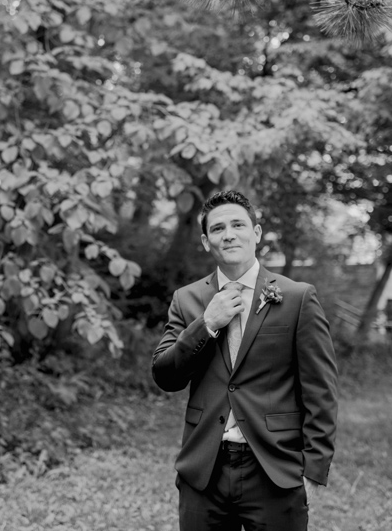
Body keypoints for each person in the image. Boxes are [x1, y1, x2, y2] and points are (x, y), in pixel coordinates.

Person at [152, 190, 339, 531]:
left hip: (274, 468)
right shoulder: (187, 299)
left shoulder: (297, 297)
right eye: (219, 228)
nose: (229, 234)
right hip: (203, 471)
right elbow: (166, 377)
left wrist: (314, 468)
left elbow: (320, 390)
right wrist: (206, 324)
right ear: (207, 242)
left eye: (238, 224)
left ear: (256, 233)